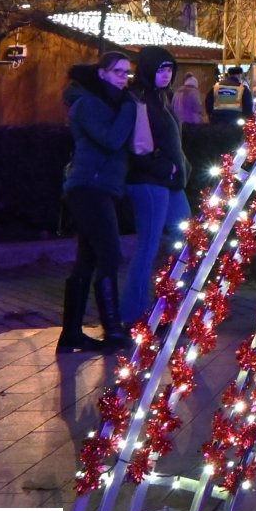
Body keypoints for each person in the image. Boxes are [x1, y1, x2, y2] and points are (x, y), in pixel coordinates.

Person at [57, 50, 138, 354]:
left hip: (101, 187)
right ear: (102, 73)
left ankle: (71, 334)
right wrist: (130, 111)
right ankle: (113, 330)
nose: (124, 78)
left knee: (88, 259)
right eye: (118, 72)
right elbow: (111, 140)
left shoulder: (106, 103)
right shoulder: (88, 104)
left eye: (127, 73)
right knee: (109, 253)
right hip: (89, 188)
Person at [120, 47, 190, 329]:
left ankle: (170, 308)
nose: (166, 75)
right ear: (148, 70)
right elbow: (136, 147)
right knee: (147, 247)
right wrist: (166, 167)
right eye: (160, 70)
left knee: (186, 240)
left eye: (170, 70)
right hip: (149, 183)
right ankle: (133, 315)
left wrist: (182, 167)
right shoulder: (139, 100)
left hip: (170, 183)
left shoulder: (162, 98)